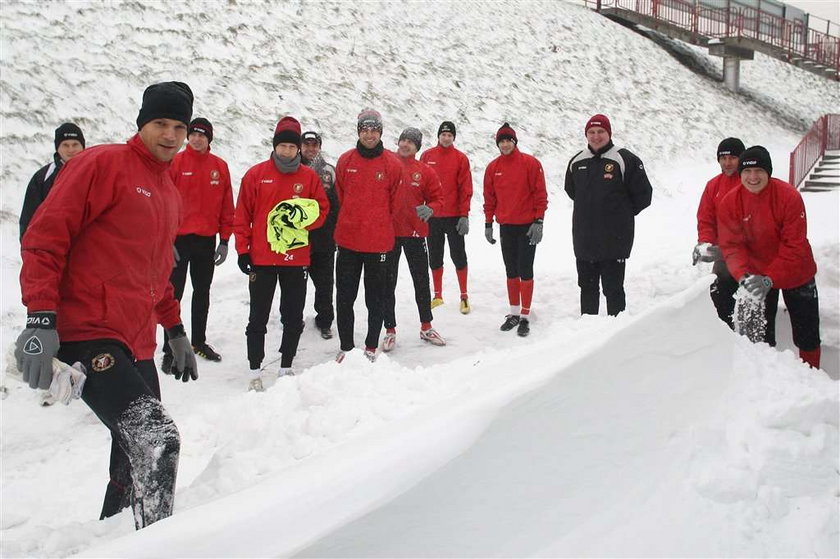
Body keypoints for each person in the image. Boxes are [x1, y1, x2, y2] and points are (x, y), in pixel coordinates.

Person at [15, 81, 199, 529]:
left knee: (130, 455)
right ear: (142, 123)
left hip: (136, 341)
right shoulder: (102, 163)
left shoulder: (169, 192)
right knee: (157, 441)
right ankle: (160, 548)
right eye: (161, 124)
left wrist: (174, 330)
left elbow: (157, 273)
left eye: (179, 126)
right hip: (86, 331)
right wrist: (40, 319)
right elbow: (45, 238)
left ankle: (112, 538)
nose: (171, 136)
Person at [234, 116, 328, 390]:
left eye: (291, 146)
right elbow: (242, 216)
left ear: (298, 149)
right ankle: (254, 368)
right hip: (262, 259)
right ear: (274, 146)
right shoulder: (256, 174)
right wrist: (243, 250)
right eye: (282, 146)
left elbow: (321, 211)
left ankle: (286, 365)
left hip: (296, 259)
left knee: (293, 315)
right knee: (258, 316)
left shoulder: (308, 177)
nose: (286, 151)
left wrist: (298, 218)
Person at [717, 145, 821, 369]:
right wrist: (743, 275)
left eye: (759, 172)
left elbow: (794, 245)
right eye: (747, 172)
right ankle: (769, 378)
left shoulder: (789, 197)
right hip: (755, 273)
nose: (753, 177)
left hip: (796, 271)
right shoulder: (730, 201)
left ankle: (813, 378)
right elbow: (731, 245)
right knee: (762, 335)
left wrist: (770, 278)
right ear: (740, 174)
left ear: (769, 173)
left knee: (807, 332)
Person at [162, 117, 234, 371]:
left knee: (202, 293)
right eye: (193, 134)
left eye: (202, 135)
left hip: (206, 241)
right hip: (178, 241)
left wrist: (224, 240)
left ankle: (199, 341)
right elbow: (163, 202)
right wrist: (164, 240)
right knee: (173, 295)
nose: (196, 139)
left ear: (209, 139)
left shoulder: (219, 167)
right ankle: (169, 346)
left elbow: (227, 206)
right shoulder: (176, 162)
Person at [564, 114, 652, 317]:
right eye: (591, 132)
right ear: (586, 135)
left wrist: (621, 215)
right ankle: (588, 335)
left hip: (614, 242)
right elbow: (571, 190)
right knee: (587, 290)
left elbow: (643, 195)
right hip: (584, 240)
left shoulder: (625, 159)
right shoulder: (577, 161)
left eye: (600, 132)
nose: (596, 136)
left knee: (613, 291)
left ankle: (616, 336)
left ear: (609, 133)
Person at [333, 109, 401, 361]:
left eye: (374, 130)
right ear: (358, 131)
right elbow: (341, 196)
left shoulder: (392, 164)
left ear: (381, 132)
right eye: (365, 129)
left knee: (375, 298)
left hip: (378, 244)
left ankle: (371, 346)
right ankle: (346, 347)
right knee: (345, 297)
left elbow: (395, 203)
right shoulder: (345, 161)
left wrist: (378, 223)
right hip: (348, 241)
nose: (370, 134)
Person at [383, 127, 446, 351]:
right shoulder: (387, 163)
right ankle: (389, 330)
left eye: (410, 142)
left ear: (417, 147)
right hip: (389, 234)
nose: (405, 144)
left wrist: (431, 209)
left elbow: (439, 199)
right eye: (403, 140)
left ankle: (426, 325)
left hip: (416, 234)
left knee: (421, 281)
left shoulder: (425, 171)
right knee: (386, 283)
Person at [483, 122, 548, 337]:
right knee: (511, 270)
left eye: (508, 140)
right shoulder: (493, 168)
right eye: (501, 141)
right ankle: (513, 313)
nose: (505, 144)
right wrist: (488, 223)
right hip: (506, 227)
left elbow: (540, 195)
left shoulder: (530, 163)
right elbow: (489, 198)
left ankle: (526, 316)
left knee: (525, 269)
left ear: (514, 142)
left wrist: (539, 221)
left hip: (527, 227)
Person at [420, 121, 473, 313]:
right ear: (438, 136)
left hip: (453, 216)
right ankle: (438, 295)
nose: (446, 138)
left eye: (450, 135)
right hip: (433, 216)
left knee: (458, 255)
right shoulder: (427, 156)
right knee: (435, 256)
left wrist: (464, 215)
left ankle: (464, 296)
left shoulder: (460, 158)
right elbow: (421, 183)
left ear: (454, 138)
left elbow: (465, 188)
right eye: (443, 134)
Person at [692, 137, 745, 328]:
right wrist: (705, 243)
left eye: (732, 157)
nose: (728, 162)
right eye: (723, 158)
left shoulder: (750, 181)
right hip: (725, 254)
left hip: (752, 253)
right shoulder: (713, 186)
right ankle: (725, 332)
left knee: (750, 297)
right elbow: (706, 219)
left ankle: (757, 346)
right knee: (718, 293)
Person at [301, 130, 339, 340]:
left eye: (314, 145)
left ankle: (325, 321)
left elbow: (337, 205)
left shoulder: (329, 171)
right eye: (306, 145)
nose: (310, 149)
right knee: (295, 285)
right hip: (298, 240)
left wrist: (333, 230)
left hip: (324, 240)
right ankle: (292, 319)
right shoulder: (291, 168)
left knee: (325, 284)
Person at [19, 122, 86, 239]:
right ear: (57, 148)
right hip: (53, 247)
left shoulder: (96, 173)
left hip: (87, 249)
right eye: (65, 145)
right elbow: (28, 219)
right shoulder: (42, 178)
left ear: (83, 146)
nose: (71, 149)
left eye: (75, 144)